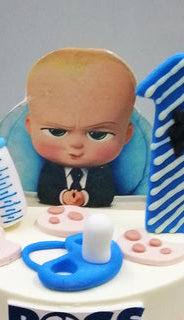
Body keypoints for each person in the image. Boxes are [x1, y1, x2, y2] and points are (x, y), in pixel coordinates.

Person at [25, 48, 136, 207]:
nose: (76, 144)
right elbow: (44, 191)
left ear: (127, 134)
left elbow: (105, 194)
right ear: (29, 126)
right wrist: (63, 197)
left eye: (97, 134)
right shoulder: (51, 170)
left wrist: (84, 197)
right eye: (57, 131)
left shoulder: (101, 172)